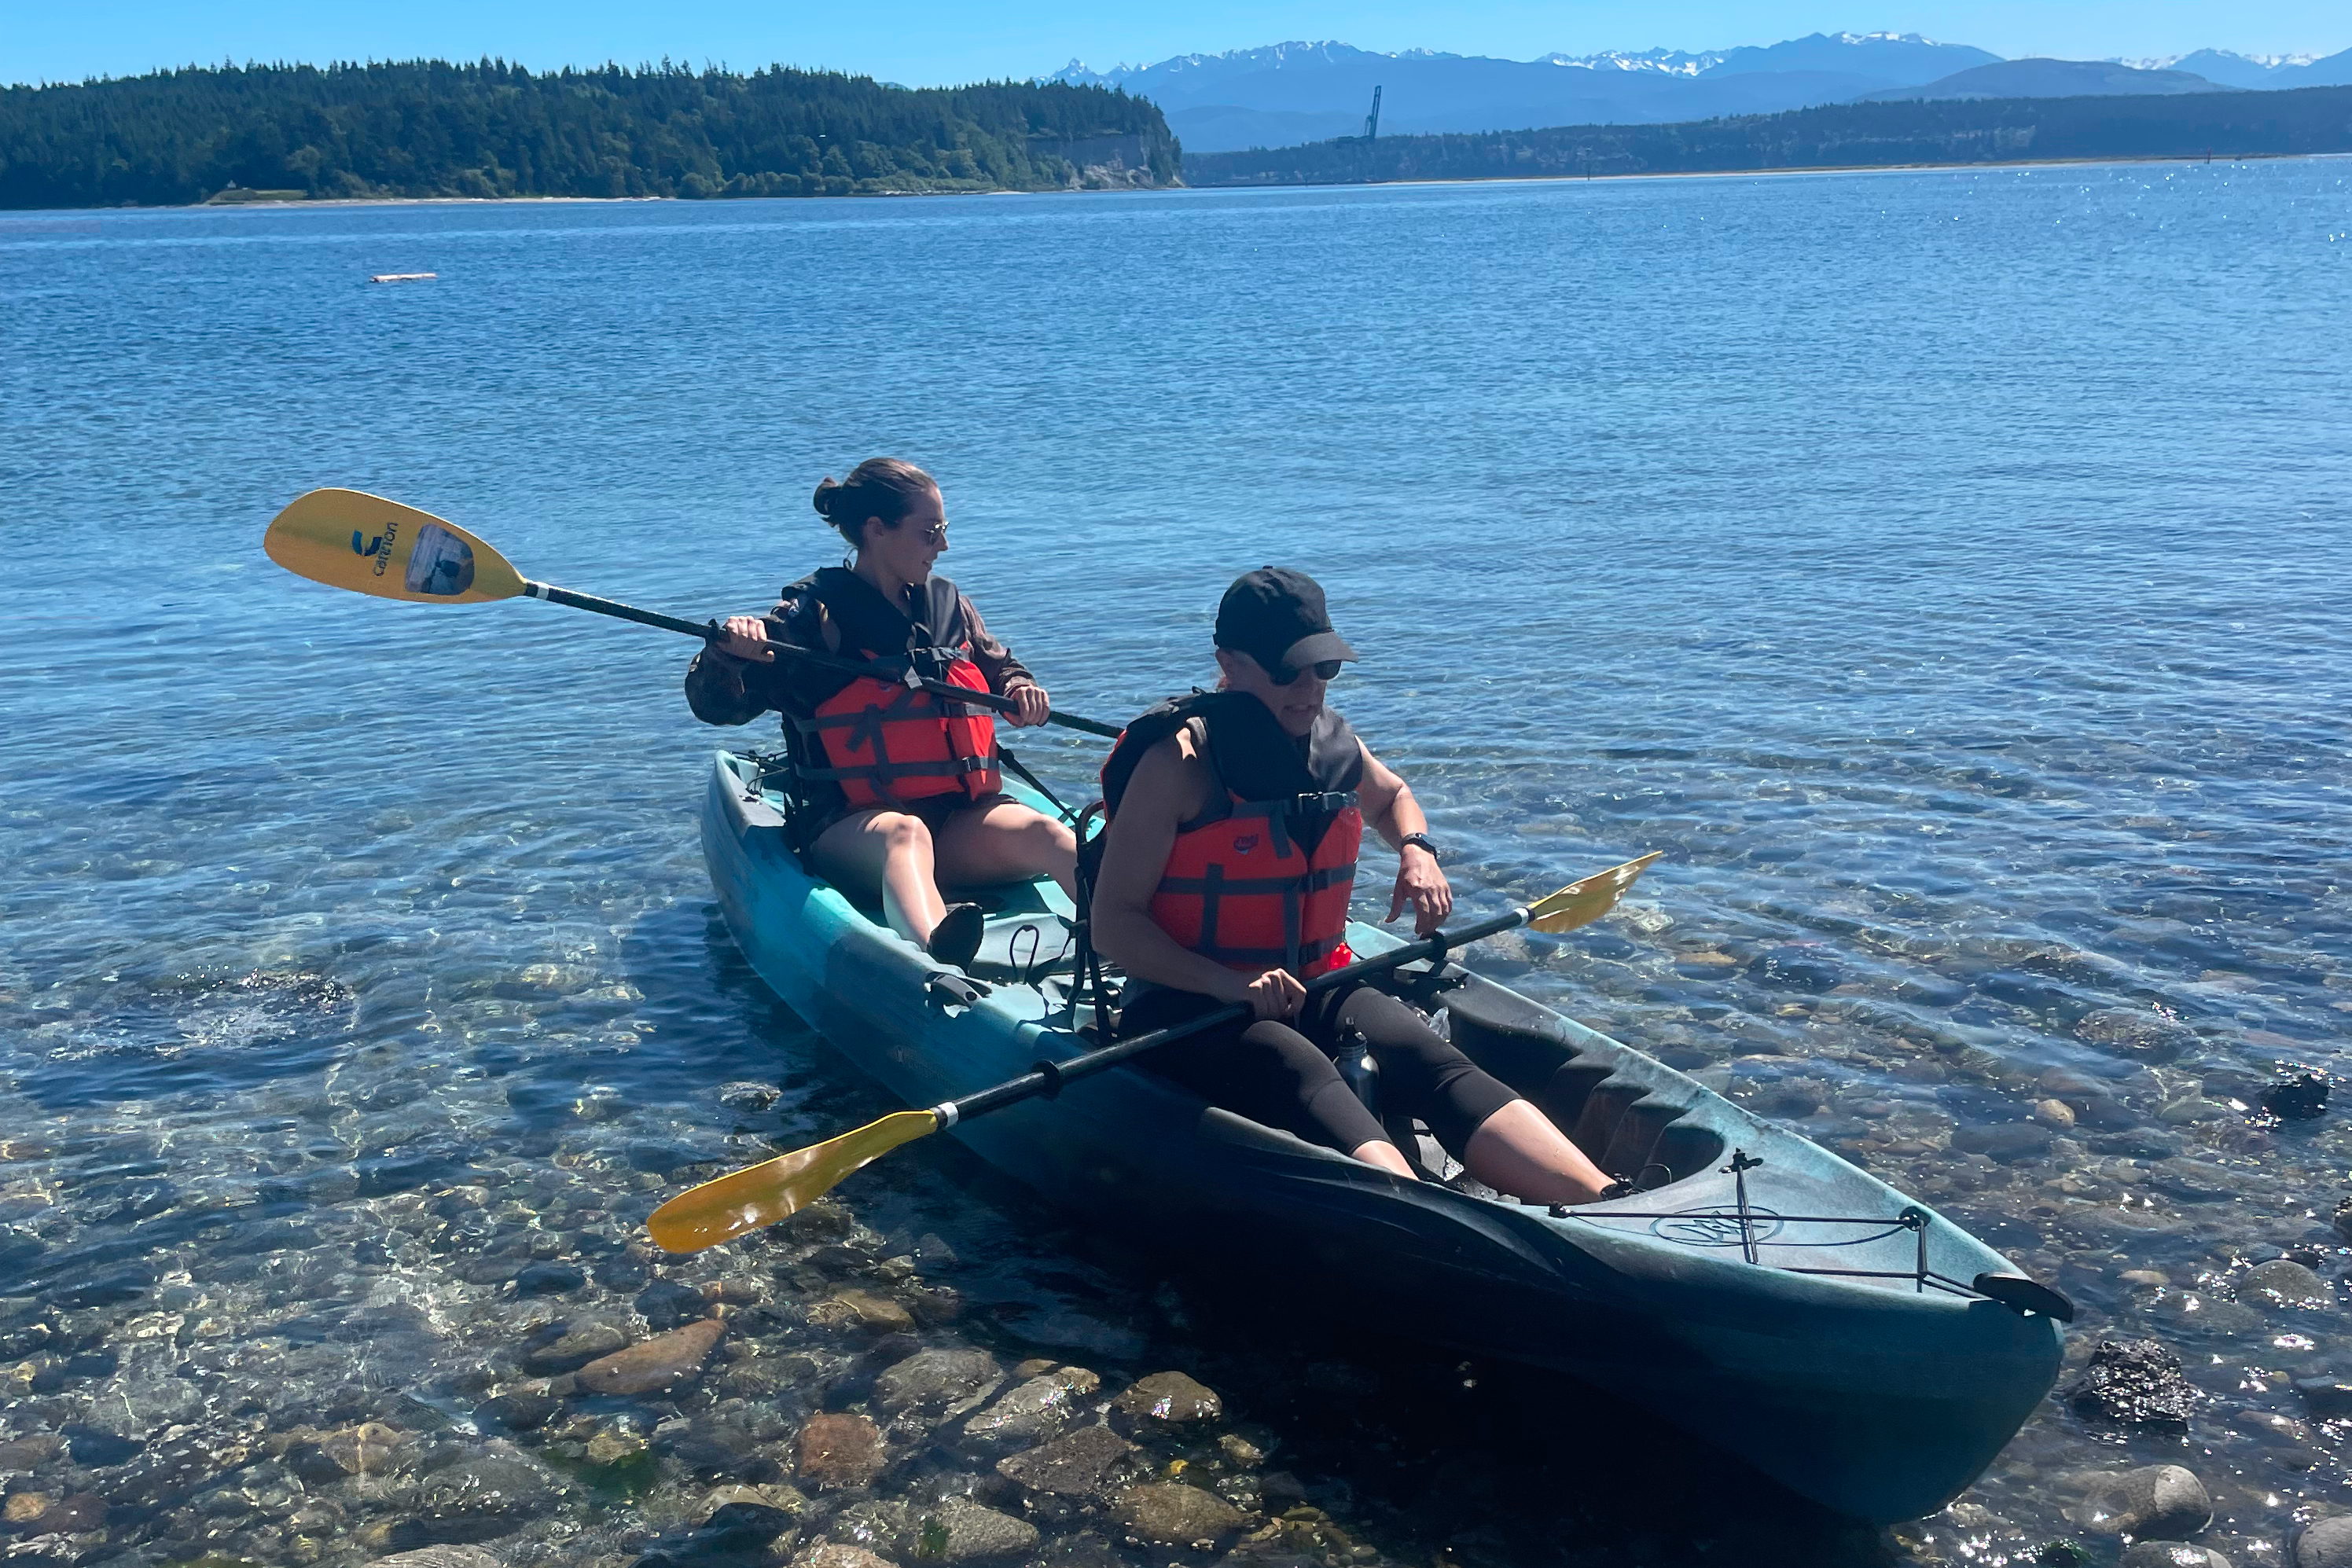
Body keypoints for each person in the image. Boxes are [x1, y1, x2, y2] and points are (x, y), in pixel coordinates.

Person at [1089, 568, 1615, 1203]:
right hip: (1191, 1002)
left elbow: (1394, 796)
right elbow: (1113, 922)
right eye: (1289, 672)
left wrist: (1418, 852)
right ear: (1228, 662)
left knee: (1424, 1055)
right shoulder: (1179, 761)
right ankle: (1423, 1214)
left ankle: (1608, 1202)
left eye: (1324, 669)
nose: (1309, 689)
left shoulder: (1333, 746)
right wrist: (1230, 984)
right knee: (1298, 1066)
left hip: (1315, 979)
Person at [685, 457, 1077, 966]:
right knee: (904, 834)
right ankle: (939, 950)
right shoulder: (816, 616)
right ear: (877, 531)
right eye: (930, 532)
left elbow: (1001, 668)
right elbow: (716, 705)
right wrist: (725, 654)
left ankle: (1131, 937)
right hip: (853, 827)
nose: (944, 546)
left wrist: (1022, 690)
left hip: (959, 822)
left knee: (1045, 832)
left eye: (944, 531)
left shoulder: (948, 607)